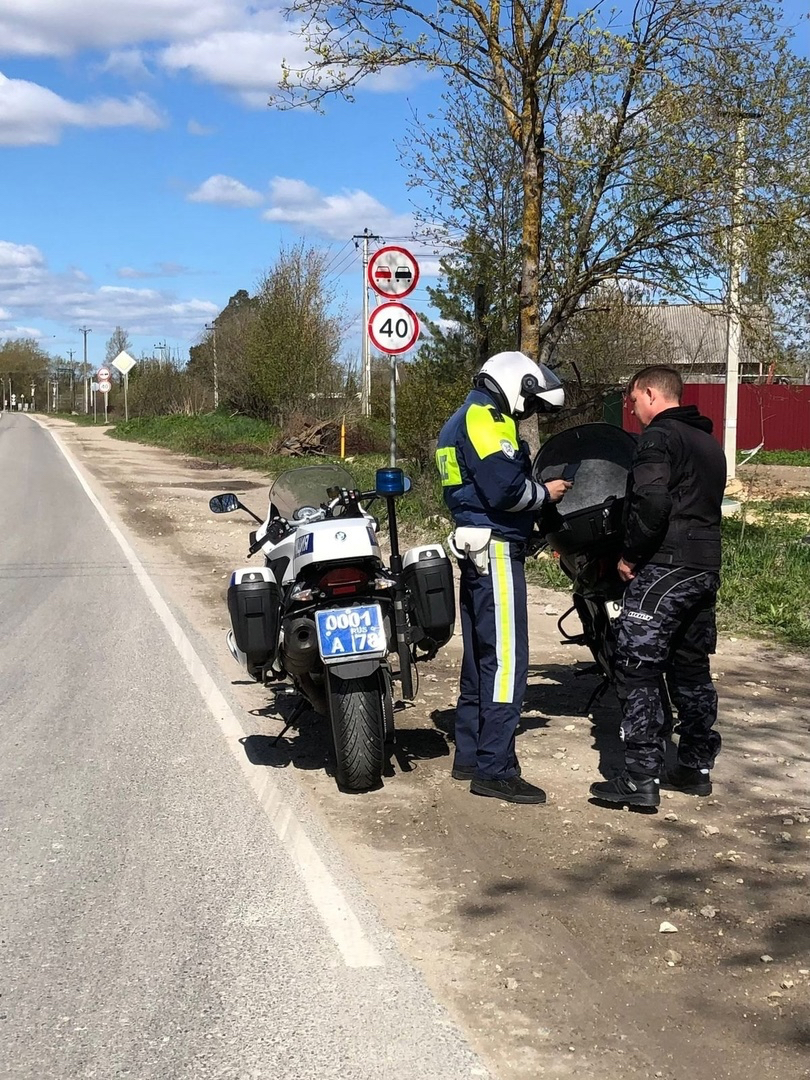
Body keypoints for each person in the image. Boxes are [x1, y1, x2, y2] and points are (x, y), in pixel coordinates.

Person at [436, 351, 571, 804]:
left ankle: (471, 755)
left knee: (479, 658)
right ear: (515, 381)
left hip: (474, 545)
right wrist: (546, 493)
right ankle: (496, 767)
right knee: (508, 661)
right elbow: (505, 489)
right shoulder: (486, 418)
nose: (528, 411)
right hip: (494, 549)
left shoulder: (458, 418)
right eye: (529, 403)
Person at [590, 365, 726, 809]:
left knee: (637, 666)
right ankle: (694, 766)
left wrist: (630, 554)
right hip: (703, 568)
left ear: (651, 393)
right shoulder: (709, 442)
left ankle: (641, 778)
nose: (631, 408)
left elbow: (652, 499)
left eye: (632, 400)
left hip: (663, 567)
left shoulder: (658, 438)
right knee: (691, 666)